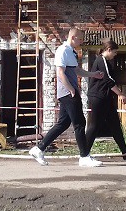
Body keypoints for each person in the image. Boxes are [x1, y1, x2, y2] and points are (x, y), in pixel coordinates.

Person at [29, 28, 105, 167]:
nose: (81, 41)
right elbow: (60, 72)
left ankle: (39, 149)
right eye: (80, 39)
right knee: (79, 123)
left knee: (63, 124)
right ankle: (84, 157)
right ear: (73, 37)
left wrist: (93, 74)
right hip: (68, 92)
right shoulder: (63, 50)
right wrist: (71, 89)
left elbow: (76, 70)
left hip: (69, 92)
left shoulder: (71, 51)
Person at [84, 39, 126, 161]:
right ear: (108, 50)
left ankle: (125, 152)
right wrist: (120, 94)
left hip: (106, 98)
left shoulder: (106, 62)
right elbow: (107, 79)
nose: (115, 55)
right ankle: (84, 154)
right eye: (114, 52)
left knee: (115, 124)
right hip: (98, 97)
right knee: (94, 125)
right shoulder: (101, 60)